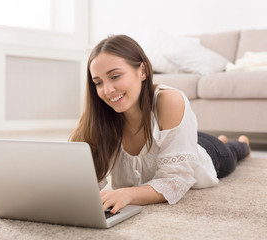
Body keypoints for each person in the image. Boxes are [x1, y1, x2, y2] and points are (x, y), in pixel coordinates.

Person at [70, 34, 251, 214]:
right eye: (98, 82)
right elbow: (85, 177)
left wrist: (127, 194)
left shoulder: (169, 101)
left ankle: (243, 144)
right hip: (176, 141)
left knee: (232, 151)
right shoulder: (99, 114)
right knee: (196, 141)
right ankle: (221, 139)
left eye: (115, 76)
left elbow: (175, 181)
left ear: (142, 71)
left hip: (209, 152)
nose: (107, 90)